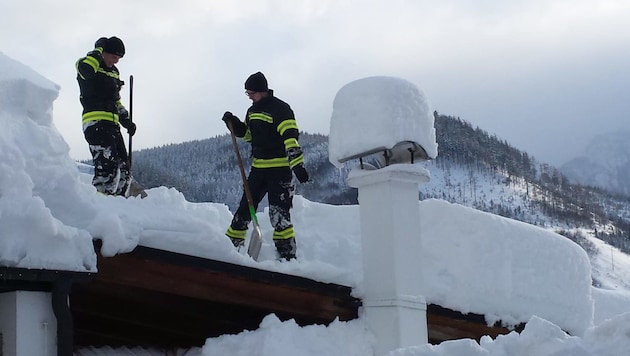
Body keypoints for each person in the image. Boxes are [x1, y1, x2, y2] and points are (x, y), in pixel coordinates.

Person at [222, 72, 309, 260]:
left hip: (279, 171)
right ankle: (229, 247)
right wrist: (235, 126)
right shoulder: (252, 112)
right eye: (247, 94)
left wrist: (297, 165)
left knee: (279, 214)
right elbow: (249, 136)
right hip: (258, 169)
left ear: (262, 91)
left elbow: (290, 138)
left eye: (251, 93)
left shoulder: (281, 109)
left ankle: (287, 255)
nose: (250, 97)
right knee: (245, 208)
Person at [76, 36, 136, 196]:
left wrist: (126, 120)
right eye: (114, 56)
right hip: (95, 123)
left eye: (119, 58)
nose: (116, 61)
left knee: (124, 170)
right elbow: (86, 71)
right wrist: (97, 51)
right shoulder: (87, 63)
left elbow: (116, 101)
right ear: (104, 52)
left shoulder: (114, 72)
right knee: (108, 168)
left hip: (113, 125)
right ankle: (102, 205)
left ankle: (119, 206)